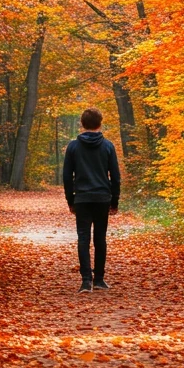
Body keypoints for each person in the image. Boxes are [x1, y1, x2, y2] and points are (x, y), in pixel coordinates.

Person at [63, 108, 121, 293]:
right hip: (102, 197)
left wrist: (70, 200)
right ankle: (99, 280)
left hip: (82, 198)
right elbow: (116, 177)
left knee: (83, 238)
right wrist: (114, 201)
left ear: (82, 123)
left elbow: (66, 176)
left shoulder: (73, 147)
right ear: (100, 123)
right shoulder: (108, 146)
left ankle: (86, 281)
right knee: (100, 238)